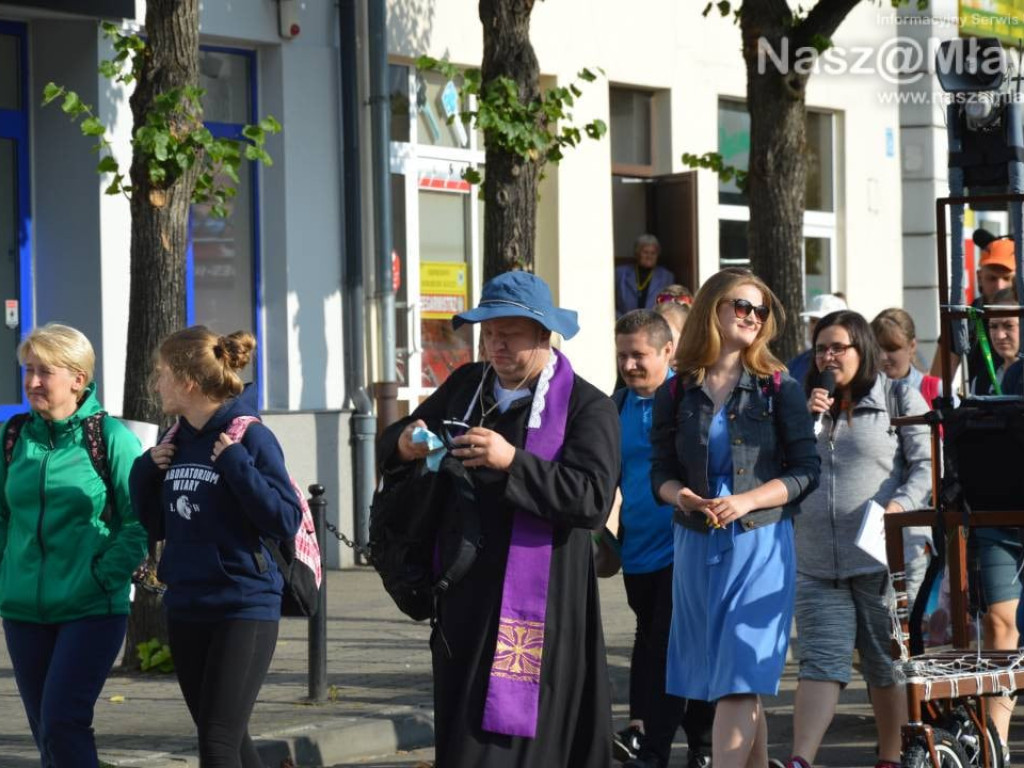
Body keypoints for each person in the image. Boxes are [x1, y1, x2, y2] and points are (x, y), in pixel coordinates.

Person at [377, 271, 620, 767]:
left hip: (542, 605)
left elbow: (592, 499)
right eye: (488, 333)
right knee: (463, 726)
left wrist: (512, 461)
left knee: (522, 739)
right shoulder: (468, 384)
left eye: (509, 333)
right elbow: (401, 438)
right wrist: (403, 444)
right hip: (464, 595)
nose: (495, 345)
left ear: (544, 335)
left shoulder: (587, 406)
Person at [650, 269, 820, 768]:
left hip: (759, 542)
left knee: (740, 678)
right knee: (726, 677)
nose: (752, 317)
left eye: (760, 310)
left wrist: (747, 501)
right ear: (712, 309)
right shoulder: (676, 391)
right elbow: (659, 471)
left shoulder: (779, 388)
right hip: (696, 541)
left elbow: (806, 471)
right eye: (741, 306)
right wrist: (681, 497)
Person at [129, 327, 303, 768]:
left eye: (161, 374)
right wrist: (143, 474)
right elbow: (158, 525)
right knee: (228, 737)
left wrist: (237, 465)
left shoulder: (249, 437)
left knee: (217, 742)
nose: (156, 384)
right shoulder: (174, 440)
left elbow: (284, 518)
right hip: (187, 604)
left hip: (243, 604)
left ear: (188, 381)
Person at [779, 310, 932, 768]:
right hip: (816, 562)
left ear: (861, 350)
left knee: (884, 664)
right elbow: (781, 467)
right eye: (821, 348)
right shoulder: (802, 404)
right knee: (819, 662)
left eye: (838, 348)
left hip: (882, 559)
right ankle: (801, 759)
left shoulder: (898, 397)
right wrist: (805, 418)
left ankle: (890, 757)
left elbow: (926, 465)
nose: (828, 357)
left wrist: (900, 506)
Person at [0, 323, 147, 767]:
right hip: (23, 611)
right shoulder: (13, 436)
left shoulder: (110, 438)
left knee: (63, 721)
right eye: (28, 370)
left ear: (77, 379)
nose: (32, 382)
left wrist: (102, 576)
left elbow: (140, 522)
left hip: (90, 608)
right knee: (46, 733)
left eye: (44, 372)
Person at [612, 310, 714, 768]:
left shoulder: (691, 399)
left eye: (639, 355)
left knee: (669, 646)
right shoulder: (615, 405)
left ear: (668, 351)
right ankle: (698, 744)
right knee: (654, 640)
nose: (629, 365)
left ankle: (659, 749)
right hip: (636, 549)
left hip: (685, 544)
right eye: (622, 356)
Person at [930, 229, 1016, 379]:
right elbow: (937, 383)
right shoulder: (963, 320)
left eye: (1006, 278)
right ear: (979, 278)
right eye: (992, 278)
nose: (999, 286)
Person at [787, 293, 848, 384]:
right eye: (813, 321)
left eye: (823, 321)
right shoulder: (795, 364)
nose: (815, 327)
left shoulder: (854, 366)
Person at [615, 234, 676, 318]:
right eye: (645, 252)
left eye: (653, 253)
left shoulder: (666, 277)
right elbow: (610, 303)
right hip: (624, 322)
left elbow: (668, 306)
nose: (649, 256)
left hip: (654, 323)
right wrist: (622, 320)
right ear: (637, 253)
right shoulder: (620, 273)